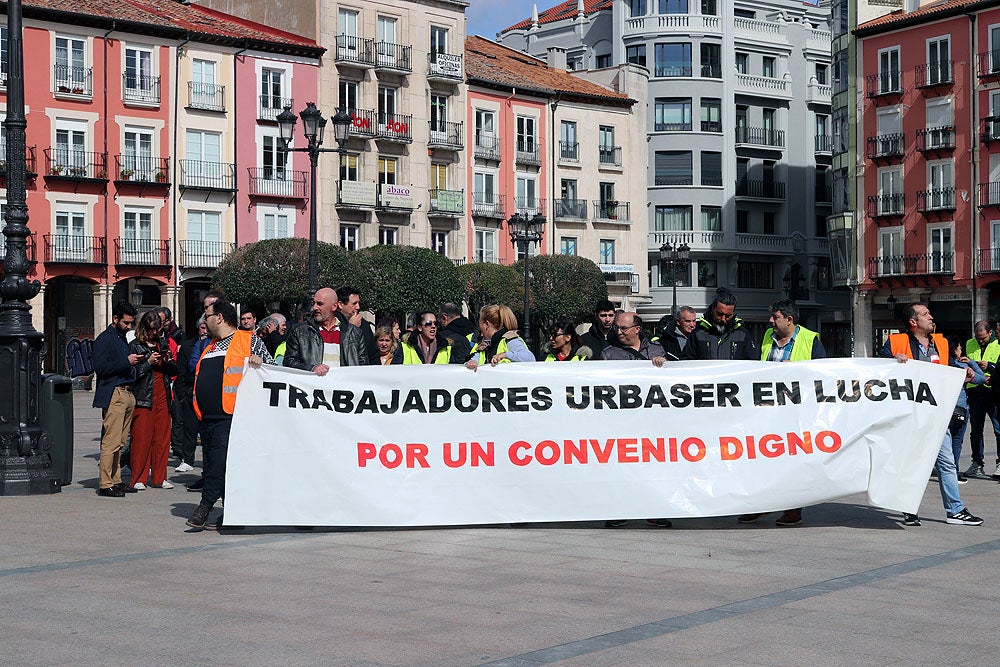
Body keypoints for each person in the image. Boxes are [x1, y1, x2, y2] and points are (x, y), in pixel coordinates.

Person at [878, 302, 983, 527]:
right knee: (911, 464)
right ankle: (908, 508)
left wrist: (965, 372)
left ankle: (955, 510)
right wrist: (894, 361)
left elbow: (949, 367)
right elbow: (878, 369)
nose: (931, 317)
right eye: (925, 314)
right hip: (908, 416)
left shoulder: (941, 343)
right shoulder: (897, 342)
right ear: (913, 322)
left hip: (936, 414)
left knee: (947, 463)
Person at [186, 299, 273, 530]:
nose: (205, 321)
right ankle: (234, 515)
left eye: (208, 316)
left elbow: (271, 370)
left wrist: (260, 361)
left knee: (218, 463)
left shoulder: (248, 339)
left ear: (220, 318)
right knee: (221, 466)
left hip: (233, 416)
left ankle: (205, 506)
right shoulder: (210, 346)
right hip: (208, 417)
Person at [739, 299, 826, 527]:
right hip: (767, 411)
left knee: (792, 463)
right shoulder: (768, 338)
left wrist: (796, 370)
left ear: (789, 320)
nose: (771, 321)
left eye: (775, 317)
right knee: (761, 459)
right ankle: (760, 506)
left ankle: (792, 509)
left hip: (796, 413)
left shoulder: (810, 339)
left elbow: (822, 373)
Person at [600, 311, 671, 528]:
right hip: (622, 422)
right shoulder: (608, 354)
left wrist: (664, 364)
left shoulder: (657, 351)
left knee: (654, 467)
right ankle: (619, 511)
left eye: (623, 328)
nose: (618, 332)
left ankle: (655, 511)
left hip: (652, 421)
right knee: (621, 467)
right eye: (617, 328)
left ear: (637, 329)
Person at [92, 302, 143, 497]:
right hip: (115, 393)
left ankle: (116, 480)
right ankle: (106, 484)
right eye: (126, 322)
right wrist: (126, 361)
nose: (129, 326)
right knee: (111, 441)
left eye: (131, 323)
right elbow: (101, 368)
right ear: (115, 319)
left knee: (121, 441)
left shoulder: (121, 338)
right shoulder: (105, 339)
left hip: (127, 393)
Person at [127, 310, 178, 490]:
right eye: (151, 330)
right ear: (144, 328)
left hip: (162, 395)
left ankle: (159, 477)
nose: (155, 333)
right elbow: (131, 374)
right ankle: (139, 478)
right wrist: (148, 362)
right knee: (142, 439)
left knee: (162, 438)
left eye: (157, 329)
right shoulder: (135, 346)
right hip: (143, 397)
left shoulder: (162, 344)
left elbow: (174, 372)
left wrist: (167, 361)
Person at [283, 287, 369, 374]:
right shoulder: (299, 331)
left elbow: (363, 366)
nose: (315, 307)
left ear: (334, 306)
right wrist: (312, 368)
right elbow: (289, 362)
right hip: (313, 385)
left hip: (344, 386)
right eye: (314, 303)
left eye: (320, 304)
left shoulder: (354, 333)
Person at [947, 335, 985, 483]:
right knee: (956, 440)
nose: (961, 350)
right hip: (960, 408)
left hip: (943, 407)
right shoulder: (962, 367)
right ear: (955, 349)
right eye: (960, 347)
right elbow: (981, 379)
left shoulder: (941, 365)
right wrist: (972, 364)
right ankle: (953, 470)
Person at [964, 321, 999, 479]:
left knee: (998, 429)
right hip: (975, 390)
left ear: (990, 333)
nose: (980, 341)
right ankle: (977, 463)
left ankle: (999, 463)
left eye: (983, 338)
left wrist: (989, 366)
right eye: (978, 338)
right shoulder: (969, 343)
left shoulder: (998, 344)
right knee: (976, 430)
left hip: (993, 391)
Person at [173, 315, 208, 474]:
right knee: (189, 428)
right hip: (189, 392)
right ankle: (187, 459)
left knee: (208, 431)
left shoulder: (216, 346)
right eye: (202, 327)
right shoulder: (187, 347)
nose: (205, 330)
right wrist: (181, 396)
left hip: (208, 394)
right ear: (198, 327)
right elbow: (180, 373)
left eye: (207, 327)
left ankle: (208, 462)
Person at [686, 287, 759, 361]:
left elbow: (753, 362)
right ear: (712, 309)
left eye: (728, 316)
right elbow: (686, 362)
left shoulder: (742, 334)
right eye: (719, 314)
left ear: (733, 314)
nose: (723, 319)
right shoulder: (698, 333)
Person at [465, 305, 534, 369]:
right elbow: (475, 359)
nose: (479, 329)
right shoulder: (485, 345)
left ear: (487, 324)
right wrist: (472, 362)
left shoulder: (510, 340)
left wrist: (504, 355)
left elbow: (530, 358)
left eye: (480, 324)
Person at [393, 310, 471, 364]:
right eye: (428, 324)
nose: (433, 326)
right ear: (420, 327)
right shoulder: (404, 347)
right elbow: (395, 372)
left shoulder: (447, 348)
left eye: (435, 323)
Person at [337, 285, 379, 365]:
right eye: (354, 303)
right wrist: (352, 328)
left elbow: (373, 354)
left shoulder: (364, 325)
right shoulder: (332, 324)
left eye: (358, 303)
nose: (358, 307)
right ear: (340, 304)